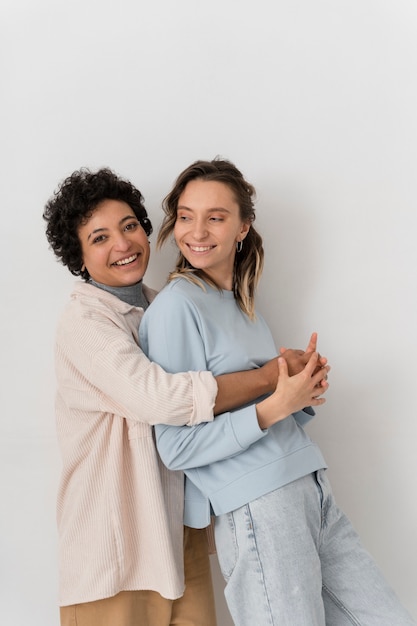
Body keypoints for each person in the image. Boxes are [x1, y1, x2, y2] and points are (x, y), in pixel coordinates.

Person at [43, 167, 327, 626]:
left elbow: (210, 402)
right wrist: (271, 378)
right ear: (78, 256)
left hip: (179, 537)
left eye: (129, 225)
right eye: (99, 237)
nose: (122, 244)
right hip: (115, 550)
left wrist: (294, 381)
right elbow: (163, 399)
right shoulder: (85, 323)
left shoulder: (164, 306)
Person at [139, 158, 416, 626]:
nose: (197, 231)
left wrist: (301, 393)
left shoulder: (243, 305)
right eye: (186, 216)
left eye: (216, 217)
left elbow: (265, 407)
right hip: (258, 504)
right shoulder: (174, 310)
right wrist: (272, 408)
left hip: (310, 489)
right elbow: (176, 447)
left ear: (243, 227)